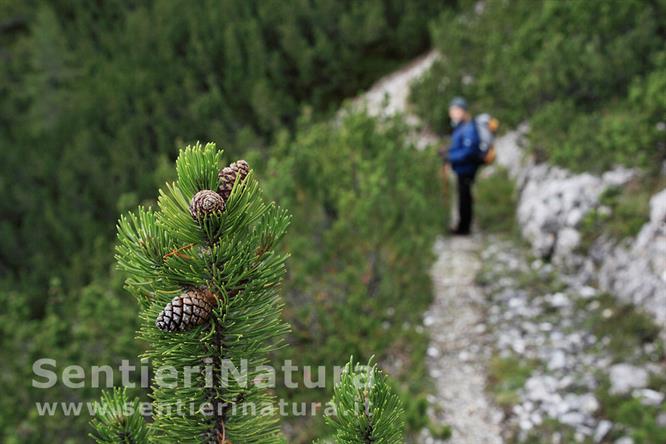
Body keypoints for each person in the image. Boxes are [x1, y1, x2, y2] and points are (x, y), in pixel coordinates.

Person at [441, 97, 482, 235]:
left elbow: (469, 151)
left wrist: (450, 157)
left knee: (465, 198)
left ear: (463, 111)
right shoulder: (460, 127)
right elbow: (459, 146)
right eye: (451, 110)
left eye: (455, 110)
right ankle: (462, 226)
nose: (452, 113)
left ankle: (464, 228)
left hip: (467, 168)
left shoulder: (468, 127)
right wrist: (448, 152)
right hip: (461, 168)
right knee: (463, 197)